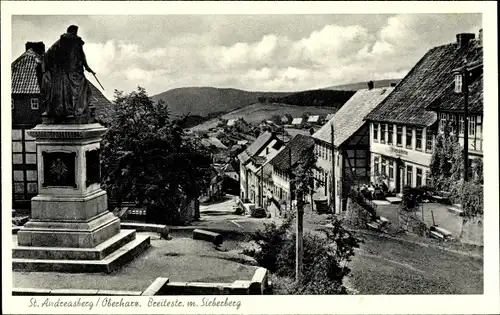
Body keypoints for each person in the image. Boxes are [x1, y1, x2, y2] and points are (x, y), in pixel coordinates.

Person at [41, 25, 96, 123]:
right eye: (75, 32)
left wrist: (87, 67)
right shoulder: (74, 42)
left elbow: (48, 54)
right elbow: (82, 56)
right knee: (82, 91)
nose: (75, 34)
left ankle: (72, 110)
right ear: (73, 31)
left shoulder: (62, 42)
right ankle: (73, 111)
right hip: (70, 72)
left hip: (69, 71)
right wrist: (87, 67)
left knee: (76, 91)